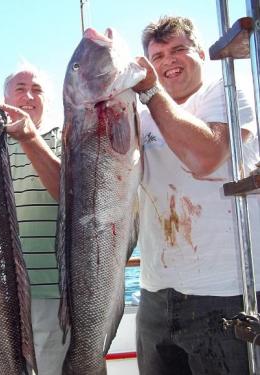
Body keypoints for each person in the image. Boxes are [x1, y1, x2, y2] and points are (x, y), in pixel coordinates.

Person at [132, 15, 260, 374]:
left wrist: (150, 92)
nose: (167, 62)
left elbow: (204, 158)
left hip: (226, 295)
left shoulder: (229, 92)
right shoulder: (140, 117)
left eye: (178, 50)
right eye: (157, 57)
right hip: (155, 296)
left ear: (201, 53)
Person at [0, 64, 67, 374]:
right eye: (20, 89)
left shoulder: (64, 138)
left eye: (36, 89)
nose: (28, 96)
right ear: (4, 98)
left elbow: (71, 197)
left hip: (50, 297)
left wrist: (29, 139)